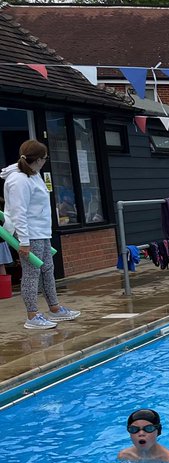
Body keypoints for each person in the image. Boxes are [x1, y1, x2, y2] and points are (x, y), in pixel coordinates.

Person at [2, 140, 80, 330]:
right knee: (31, 273)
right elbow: (18, 212)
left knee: (47, 270)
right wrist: (25, 240)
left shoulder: (33, 174)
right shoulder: (18, 180)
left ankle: (54, 308)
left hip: (42, 232)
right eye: (45, 158)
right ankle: (32, 315)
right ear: (37, 159)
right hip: (30, 233)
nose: (46, 161)